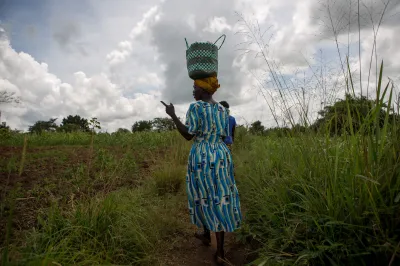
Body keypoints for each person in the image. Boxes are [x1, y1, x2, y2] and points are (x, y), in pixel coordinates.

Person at [162, 76, 242, 265]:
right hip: (221, 155)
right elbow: (224, 135)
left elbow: (188, 134)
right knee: (220, 197)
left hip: (203, 156)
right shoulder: (223, 109)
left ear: (204, 90)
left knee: (205, 196)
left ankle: (207, 235)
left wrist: (172, 115)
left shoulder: (196, 108)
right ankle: (220, 251)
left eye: (195, 87)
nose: (193, 91)